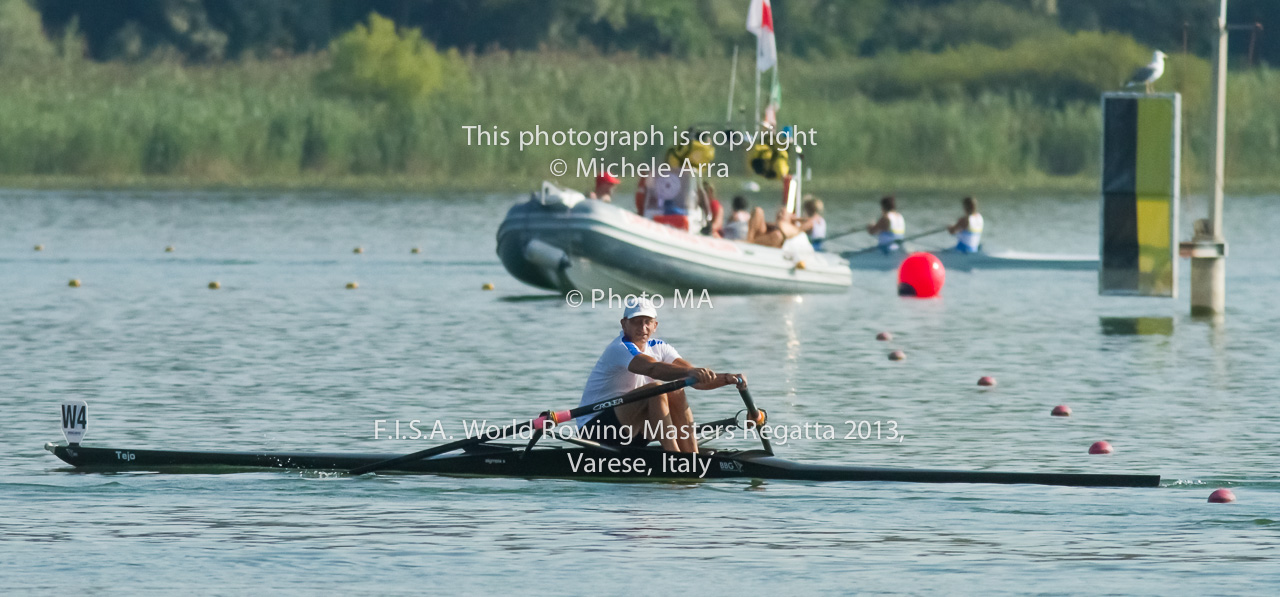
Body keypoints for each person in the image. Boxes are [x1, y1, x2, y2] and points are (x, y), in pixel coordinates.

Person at [577, 297, 741, 453]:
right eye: (636, 322)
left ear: (655, 325)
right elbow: (652, 368)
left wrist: (728, 378)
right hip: (595, 431)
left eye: (647, 322)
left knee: (676, 390)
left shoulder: (660, 347)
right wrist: (689, 372)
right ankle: (675, 457)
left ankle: (692, 456)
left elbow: (696, 381)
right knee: (656, 389)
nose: (643, 328)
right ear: (624, 324)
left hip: (630, 429)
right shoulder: (619, 348)